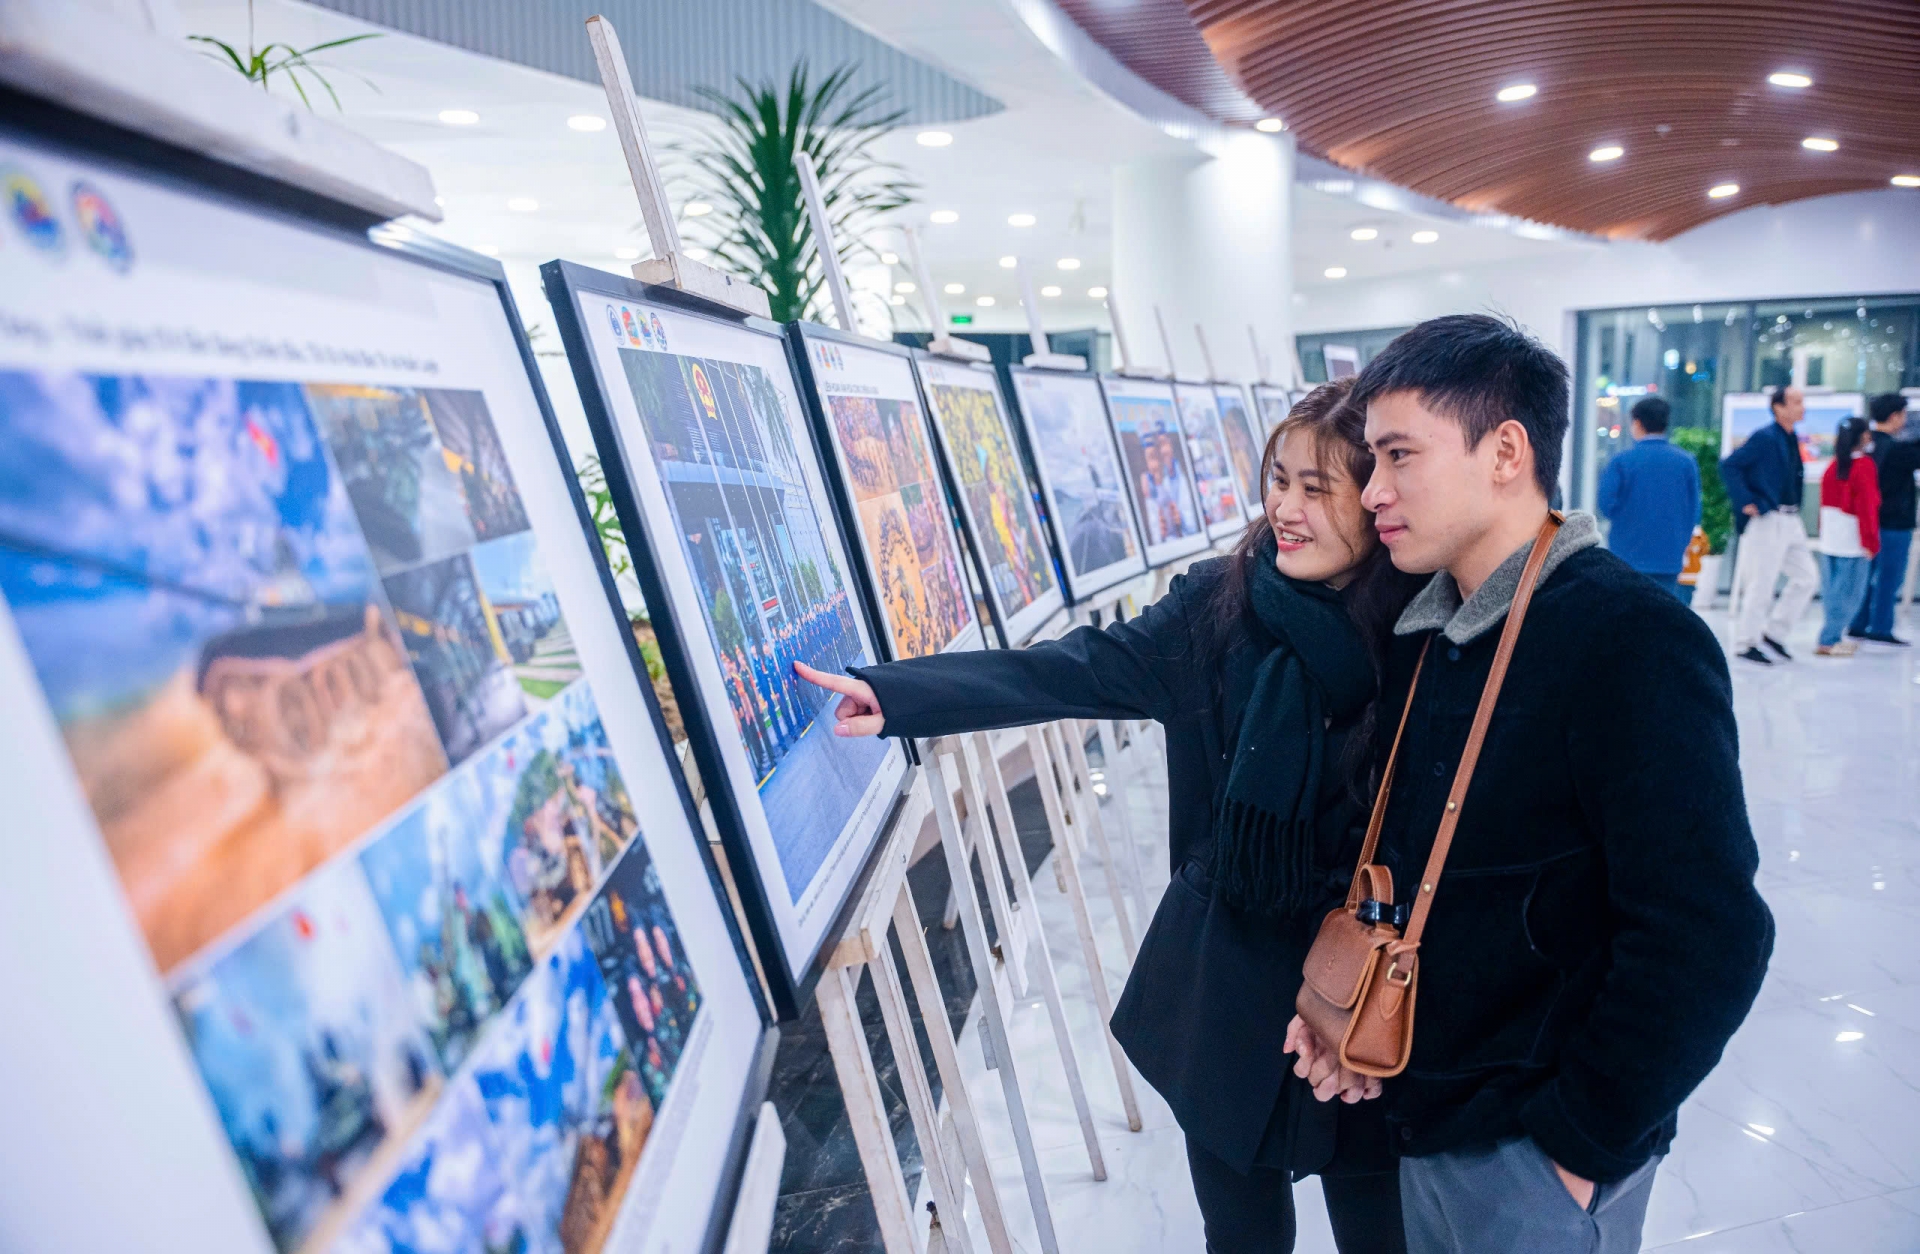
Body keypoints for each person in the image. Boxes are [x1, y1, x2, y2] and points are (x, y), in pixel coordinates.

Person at [796, 380, 1423, 1254]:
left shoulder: (1420, 631)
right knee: (1241, 1231)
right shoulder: (1219, 609)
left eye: (1316, 489)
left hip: (1367, 991)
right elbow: (1070, 670)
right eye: (1278, 480)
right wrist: (897, 694)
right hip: (1226, 984)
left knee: (1380, 1225)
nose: (1284, 508)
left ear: (1377, 496)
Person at [1289, 314, 1772, 1254]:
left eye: (1398, 455)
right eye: (1373, 458)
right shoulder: (1428, 628)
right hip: (1418, 1114)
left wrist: (1579, 1144)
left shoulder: (1628, 636)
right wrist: (1346, 1016)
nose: (1373, 489)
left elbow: (1709, 933)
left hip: (1534, 1153)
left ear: (1506, 451)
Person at [1719, 386, 1818, 664]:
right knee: (1761, 584)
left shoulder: (1790, 437)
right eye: (1795, 402)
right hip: (1767, 519)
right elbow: (1730, 465)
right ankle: (1746, 643)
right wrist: (1746, 501)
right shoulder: (1764, 437)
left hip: (1790, 519)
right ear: (1778, 407)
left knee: (1807, 578)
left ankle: (1774, 633)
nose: (1802, 407)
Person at [1595, 396, 1701, 597]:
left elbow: (1605, 503)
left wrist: (1626, 517)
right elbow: (1694, 508)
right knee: (1664, 606)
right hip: (1670, 553)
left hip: (1627, 552)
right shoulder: (1686, 462)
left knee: (1627, 607)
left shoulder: (1622, 461)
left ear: (1637, 423)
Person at [1848, 393, 1917, 645]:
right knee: (1889, 577)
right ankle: (1881, 627)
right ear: (1895, 416)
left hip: (1870, 520)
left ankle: (1858, 623)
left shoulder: (1868, 447)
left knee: (1866, 577)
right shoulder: (1898, 450)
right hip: (1894, 523)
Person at [1815, 417, 1881, 657]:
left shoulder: (1833, 465)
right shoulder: (1863, 465)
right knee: (1851, 593)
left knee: (1833, 592)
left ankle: (1831, 636)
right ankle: (1829, 639)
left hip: (1831, 537)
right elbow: (1867, 505)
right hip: (1853, 539)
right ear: (1863, 436)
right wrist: (1870, 540)